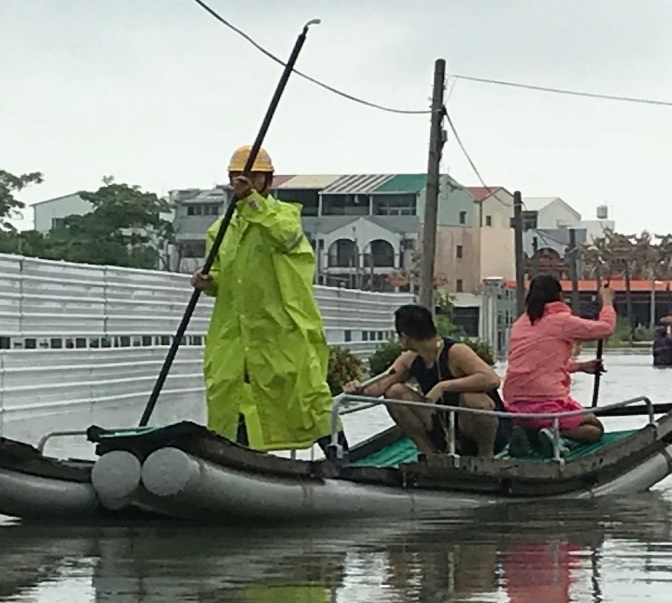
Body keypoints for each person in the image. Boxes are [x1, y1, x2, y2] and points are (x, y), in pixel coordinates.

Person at [191, 145, 340, 453]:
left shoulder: (284, 216)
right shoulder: (220, 230)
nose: (241, 182)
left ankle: (340, 456)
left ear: (265, 181)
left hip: (281, 327)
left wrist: (251, 203)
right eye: (236, 177)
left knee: (306, 392)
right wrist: (207, 281)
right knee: (230, 393)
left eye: (250, 177)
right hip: (234, 332)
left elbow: (284, 236)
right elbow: (221, 275)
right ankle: (235, 458)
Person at [341, 304, 510, 457]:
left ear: (404, 337)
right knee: (394, 392)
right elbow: (379, 387)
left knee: (474, 399)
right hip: (442, 425)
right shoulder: (409, 359)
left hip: (478, 426)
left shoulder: (456, 352)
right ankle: (429, 454)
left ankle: (485, 456)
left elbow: (492, 379)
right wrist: (359, 389)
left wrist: (443, 386)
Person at [502, 274, 615, 448]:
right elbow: (605, 329)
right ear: (560, 296)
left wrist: (580, 367)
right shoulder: (561, 321)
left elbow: (541, 363)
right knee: (594, 429)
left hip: (513, 401)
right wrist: (607, 302)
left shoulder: (521, 323)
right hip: (545, 401)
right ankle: (551, 434)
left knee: (589, 420)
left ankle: (533, 434)